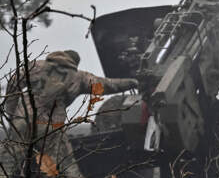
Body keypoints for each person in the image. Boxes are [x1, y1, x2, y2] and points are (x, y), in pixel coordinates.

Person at [1, 50, 138, 178]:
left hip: (23, 121)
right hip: (51, 125)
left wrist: (12, 114)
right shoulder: (79, 77)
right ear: (75, 63)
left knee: (8, 163)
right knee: (67, 165)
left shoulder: (36, 66)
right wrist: (132, 82)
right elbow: (107, 84)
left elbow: (13, 83)